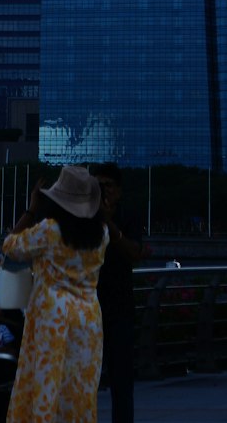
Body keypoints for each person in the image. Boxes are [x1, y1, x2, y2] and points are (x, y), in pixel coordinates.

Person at [2, 165, 108, 423]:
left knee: (46, 384)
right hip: (88, 317)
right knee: (79, 388)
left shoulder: (49, 230)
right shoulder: (102, 233)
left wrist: (30, 209)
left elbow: (10, 247)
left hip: (52, 316)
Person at [90, 164, 142, 423]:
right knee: (84, 380)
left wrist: (108, 223)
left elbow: (135, 253)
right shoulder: (83, 217)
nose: (103, 191)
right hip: (88, 310)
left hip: (120, 309)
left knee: (122, 384)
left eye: (108, 185)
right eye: (97, 185)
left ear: (119, 190)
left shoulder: (127, 216)